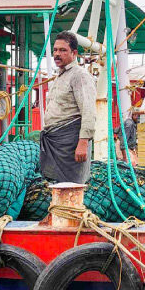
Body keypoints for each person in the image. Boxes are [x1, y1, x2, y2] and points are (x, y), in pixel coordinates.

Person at [40, 31, 96, 183]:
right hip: (54, 141)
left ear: (74, 53)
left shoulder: (80, 75)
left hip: (70, 144)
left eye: (63, 50)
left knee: (71, 189)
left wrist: (83, 143)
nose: (57, 54)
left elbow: (89, 111)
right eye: (55, 50)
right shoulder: (61, 75)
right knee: (54, 186)